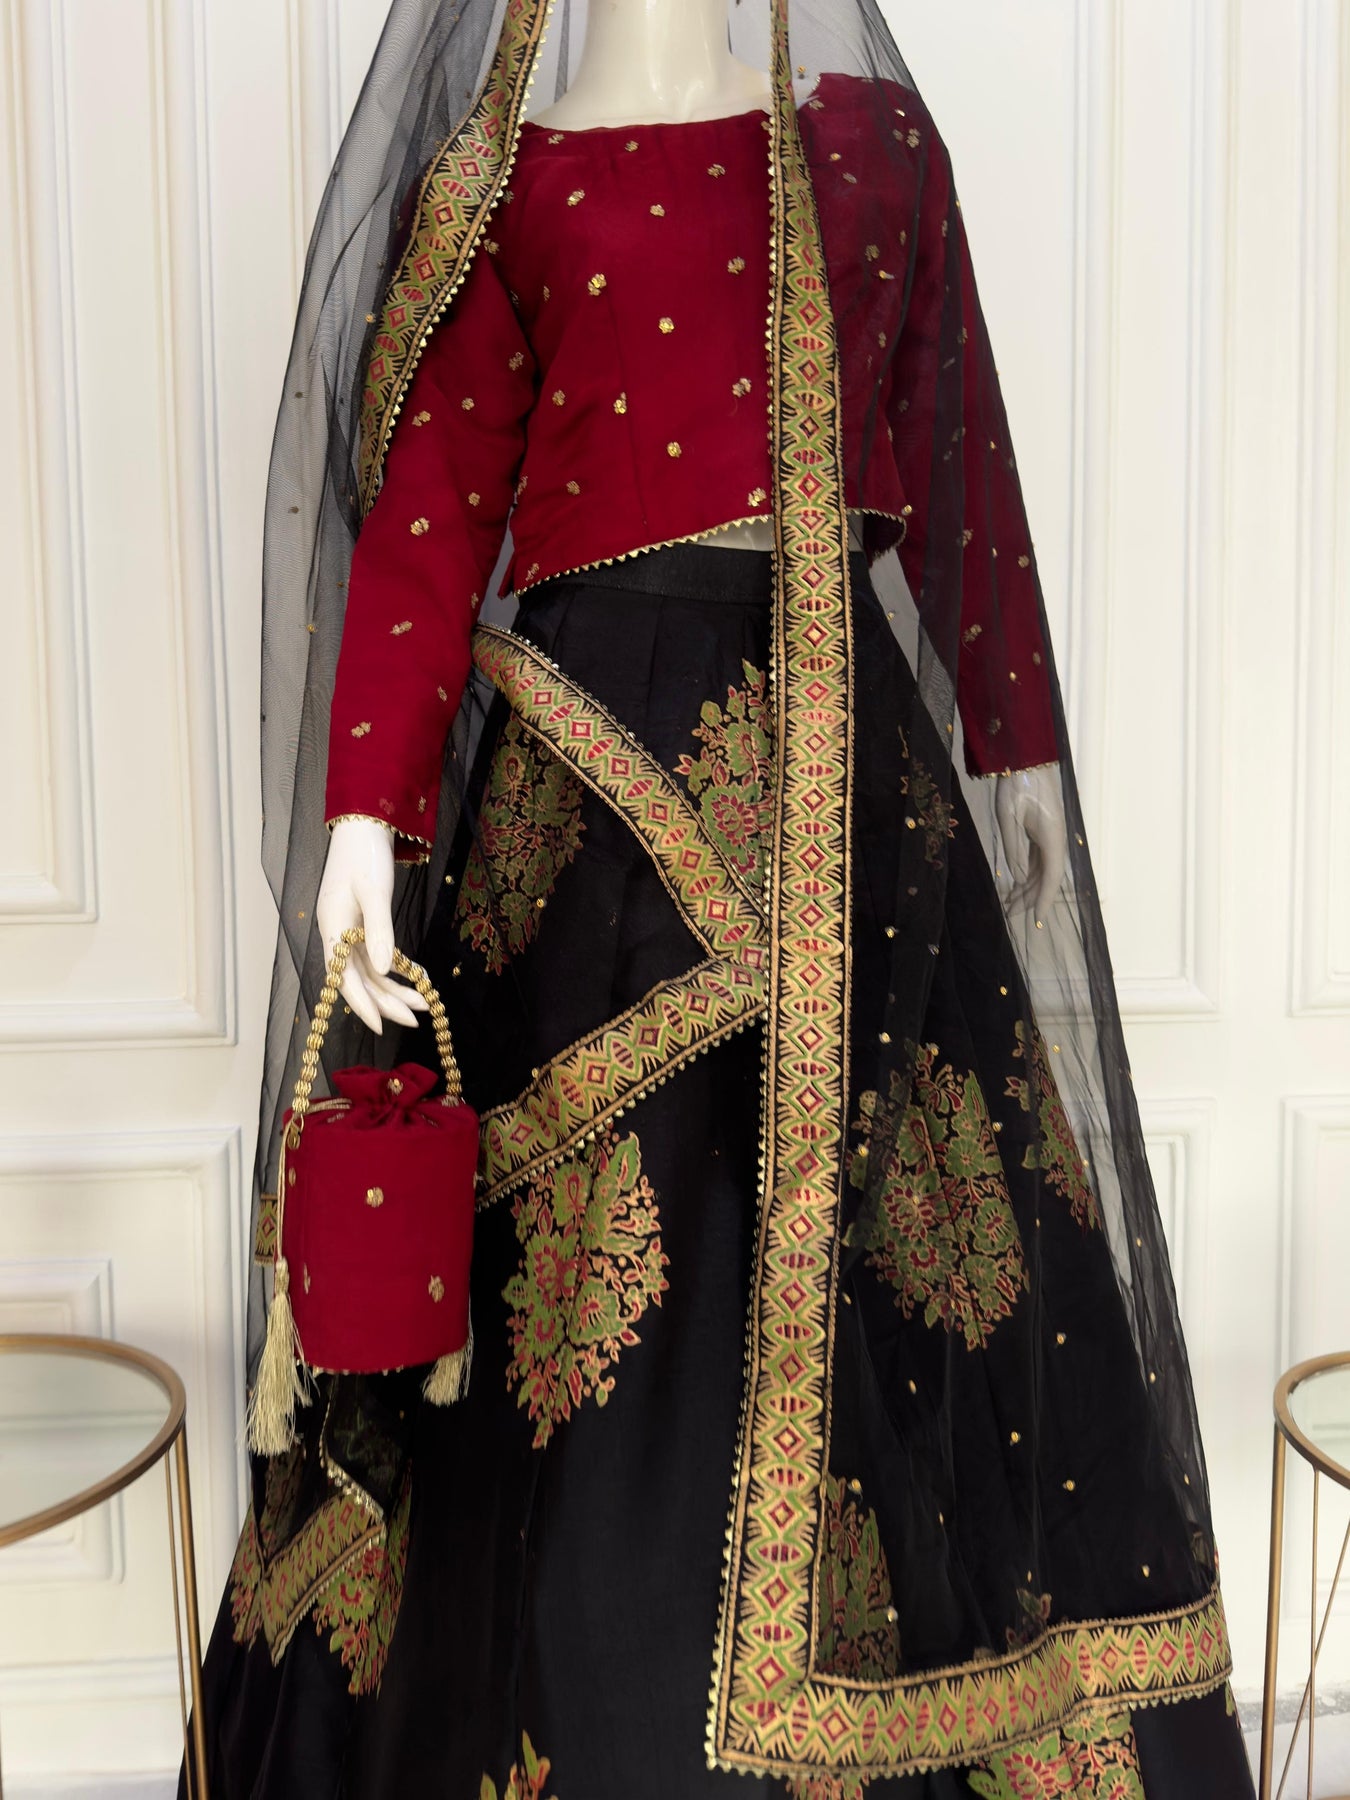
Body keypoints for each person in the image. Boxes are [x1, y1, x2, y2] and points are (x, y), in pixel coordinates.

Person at [187, 1, 1258, 1795]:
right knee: (600, 1318)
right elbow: (430, 509)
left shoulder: (874, 150)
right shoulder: (499, 185)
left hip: (861, 812)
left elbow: (957, 445)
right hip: (593, 815)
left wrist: (1012, 748)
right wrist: (367, 814)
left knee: (902, 1279)